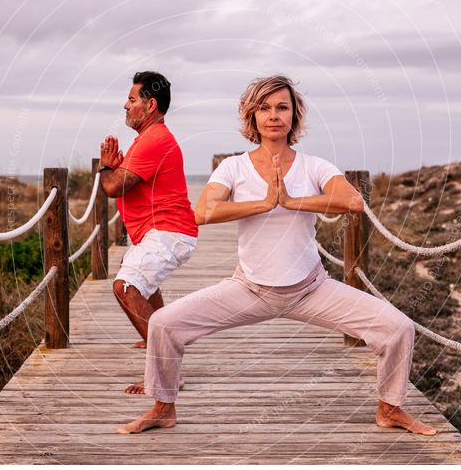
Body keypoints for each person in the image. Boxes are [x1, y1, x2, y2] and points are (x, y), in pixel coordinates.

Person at [118, 75, 437, 436]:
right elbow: (204, 211)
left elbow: (352, 202)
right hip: (248, 289)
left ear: (294, 115)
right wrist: (263, 204)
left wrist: (291, 201)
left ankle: (390, 409)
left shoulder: (315, 166)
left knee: (398, 328)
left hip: (310, 289)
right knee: (163, 324)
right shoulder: (233, 167)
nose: (274, 115)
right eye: (265, 108)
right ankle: (163, 408)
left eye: (282, 107)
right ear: (252, 116)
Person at [98, 71, 198, 394]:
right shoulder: (146, 139)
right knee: (144, 283)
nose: (125, 106)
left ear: (150, 104)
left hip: (168, 232)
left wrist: (104, 166)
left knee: (126, 287)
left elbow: (112, 186)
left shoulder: (155, 140)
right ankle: (153, 337)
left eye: (131, 99)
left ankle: (166, 372)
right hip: (161, 232)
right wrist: (114, 165)